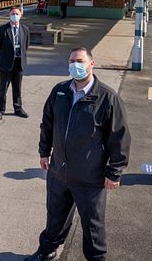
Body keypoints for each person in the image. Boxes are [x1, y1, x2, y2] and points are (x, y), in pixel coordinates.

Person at [25, 47, 130, 261]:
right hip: (58, 172)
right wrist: (44, 152)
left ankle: (96, 258)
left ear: (92, 63)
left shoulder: (108, 98)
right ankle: (46, 250)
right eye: (72, 60)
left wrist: (114, 172)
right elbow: (47, 124)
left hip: (90, 176)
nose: (76, 65)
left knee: (92, 225)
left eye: (80, 60)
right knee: (55, 217)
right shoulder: (60, 91)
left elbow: (119, 137)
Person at [0, 6, 30, 121]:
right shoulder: (2, 30)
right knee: (3, 88)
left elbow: (26, 45)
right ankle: (0, 110)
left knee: (17, 88)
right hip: (5, 64)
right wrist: (4, 57)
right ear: (9, 15)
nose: (15, 16)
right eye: (12, 14)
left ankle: (18, 108)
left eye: (17, 14)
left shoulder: (25, 29)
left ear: (21, 15)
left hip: (19, 63)